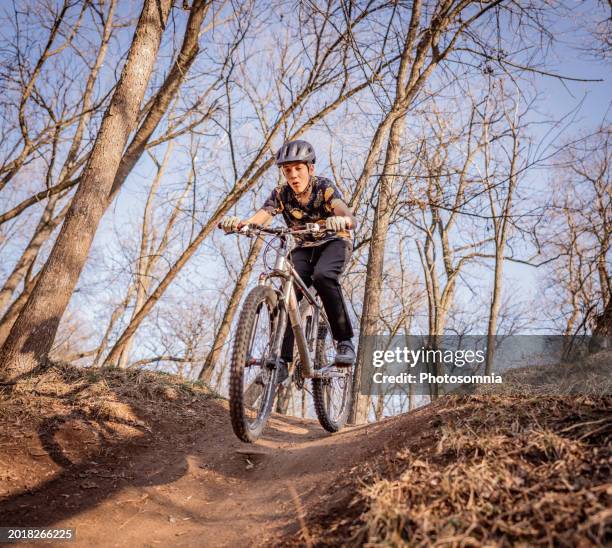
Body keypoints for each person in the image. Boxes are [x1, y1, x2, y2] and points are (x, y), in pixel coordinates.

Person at [220, 139, 357, 370]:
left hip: (335, 242)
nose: (293, 175)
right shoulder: (281, 194)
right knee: (287, 291)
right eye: (287, 170)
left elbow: (345, 212)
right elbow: (262, 216)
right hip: (304, 247)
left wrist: (342, 219)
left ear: (310, 169)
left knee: (323, 276)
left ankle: (344, 342)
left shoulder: (324, 187)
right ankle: (282, 359)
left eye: (298, 169)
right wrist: (241, 224)